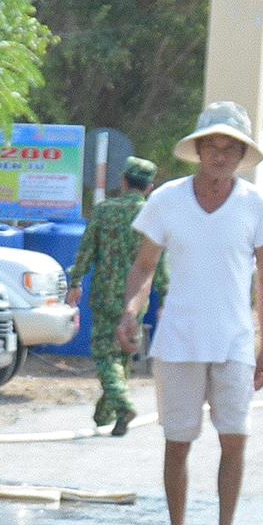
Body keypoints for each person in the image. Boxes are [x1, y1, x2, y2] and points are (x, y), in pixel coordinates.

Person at [118, 102, 263, 525]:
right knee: (178, 441)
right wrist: (131, 311)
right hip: (179, 339)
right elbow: (145, 266)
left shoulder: (254, 205)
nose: (221, 156)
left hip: (234, 341)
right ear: (199, 150)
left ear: (242, 155)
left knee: (234, 439)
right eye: (213, 146)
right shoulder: (167, 199)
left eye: (231, 148)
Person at [73, 156, 158, 434]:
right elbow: (160, 261)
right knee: (122, 354)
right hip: (137, 297)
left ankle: (121, 405)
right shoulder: (152, 214)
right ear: (149, 187)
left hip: (105, 293)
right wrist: (166, 293)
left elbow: (87, 249)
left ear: (123, 181)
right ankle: (105, 415)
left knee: (104, 354)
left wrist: (75, 280)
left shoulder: (104, 210)